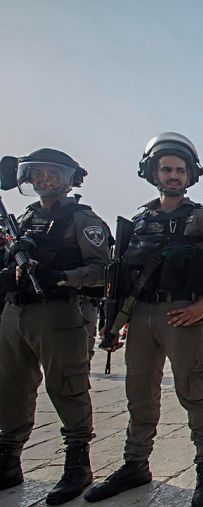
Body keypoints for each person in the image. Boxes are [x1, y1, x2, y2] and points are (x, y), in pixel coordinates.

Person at [84, 133, 203, 507]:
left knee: (195, 391)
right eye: (166, 169)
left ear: (190, 176)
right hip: (140, 319)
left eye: (179, 170)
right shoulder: (138, 222)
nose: (173, 176)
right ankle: (135, 463)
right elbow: (119, 278)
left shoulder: (201, 218)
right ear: (154, 172)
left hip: (182, 315)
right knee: (139, 394)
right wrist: (112, 324)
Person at [0, 149, 110, 505]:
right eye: (39, 174)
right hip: (16, 313)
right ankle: (9, 457)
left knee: (67, 385)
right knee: (12, 387)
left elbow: (102, 269)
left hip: (61, 313)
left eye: (52, 174)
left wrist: (61, 277)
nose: (45, 180)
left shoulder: (82, 219)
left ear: (67, 179)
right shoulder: (22, 220)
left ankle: (77, 462)